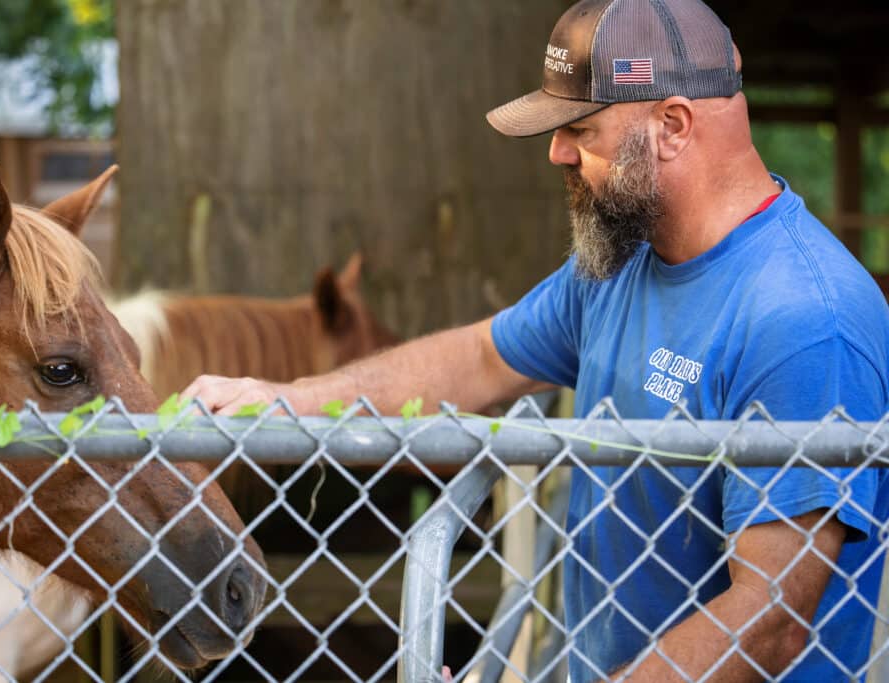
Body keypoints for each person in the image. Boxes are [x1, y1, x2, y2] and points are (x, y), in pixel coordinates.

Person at [181, 0, 889, 679]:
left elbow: (767, 617)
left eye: (581, 130)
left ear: (672, 125)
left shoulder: (802, 319)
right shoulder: (620, 264)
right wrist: (293, 399)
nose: (555, 152)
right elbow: (482, 356)